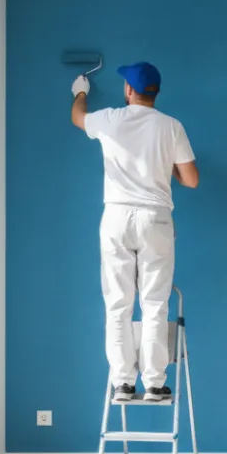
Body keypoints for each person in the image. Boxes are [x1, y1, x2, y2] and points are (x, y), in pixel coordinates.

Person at [71, 62, 199, 402]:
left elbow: (78, 117)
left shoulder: (110, 119)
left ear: (129, 91)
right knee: (155, 303)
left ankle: (123, 383)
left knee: (118, 304)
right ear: (155, 93)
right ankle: (155, 383)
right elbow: (191, 179)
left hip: (116, 217)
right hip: (155, 219)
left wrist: (80, 91)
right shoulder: (172, 127)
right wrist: (161, 164)